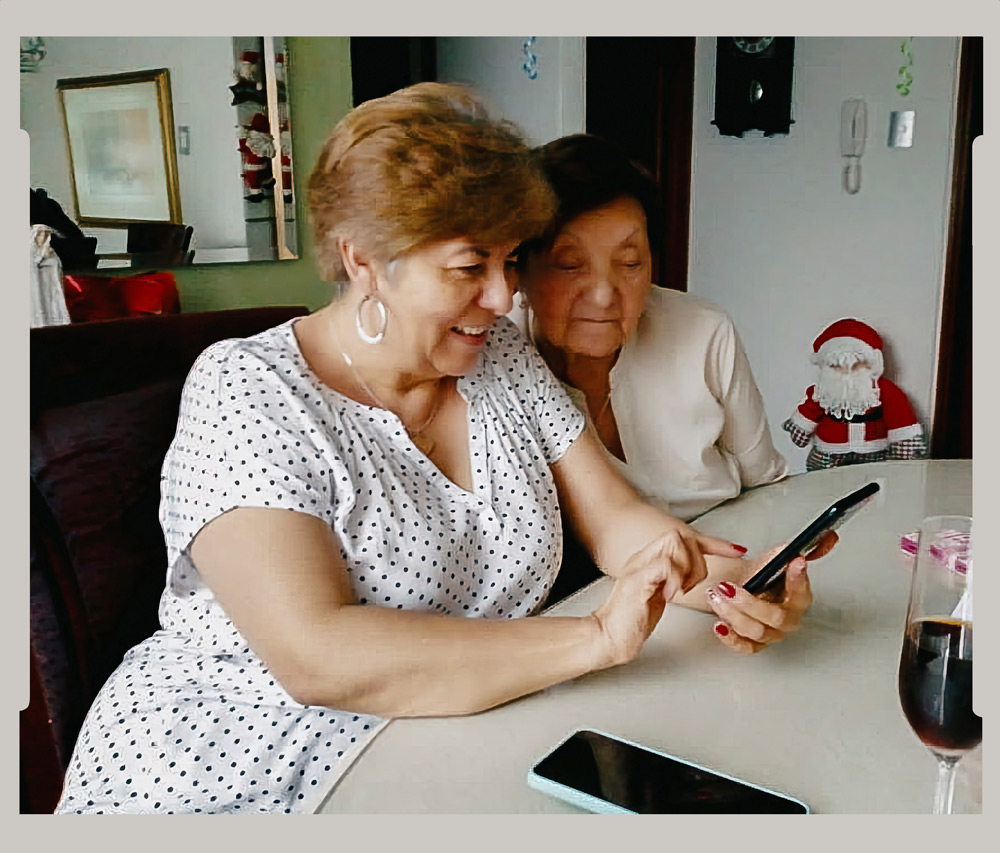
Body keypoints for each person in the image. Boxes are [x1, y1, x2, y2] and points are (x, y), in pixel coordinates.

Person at [55, 85, 828, 815]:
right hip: (244, 763)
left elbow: (619, 520)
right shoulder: (248, 390)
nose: (502, 297)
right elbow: (316, 654)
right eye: (469, 267)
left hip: (460, 736)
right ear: (363, 260)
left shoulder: (498, 357)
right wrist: (595, 636)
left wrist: (737, 581)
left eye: (508, 260)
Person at [517, 134, 788, 525]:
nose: (603, 295)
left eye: (629, 263)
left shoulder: (704, 332)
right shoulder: (498, 357)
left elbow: (766, 484)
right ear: (519, 271)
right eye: (570, 264)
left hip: (726, 547)